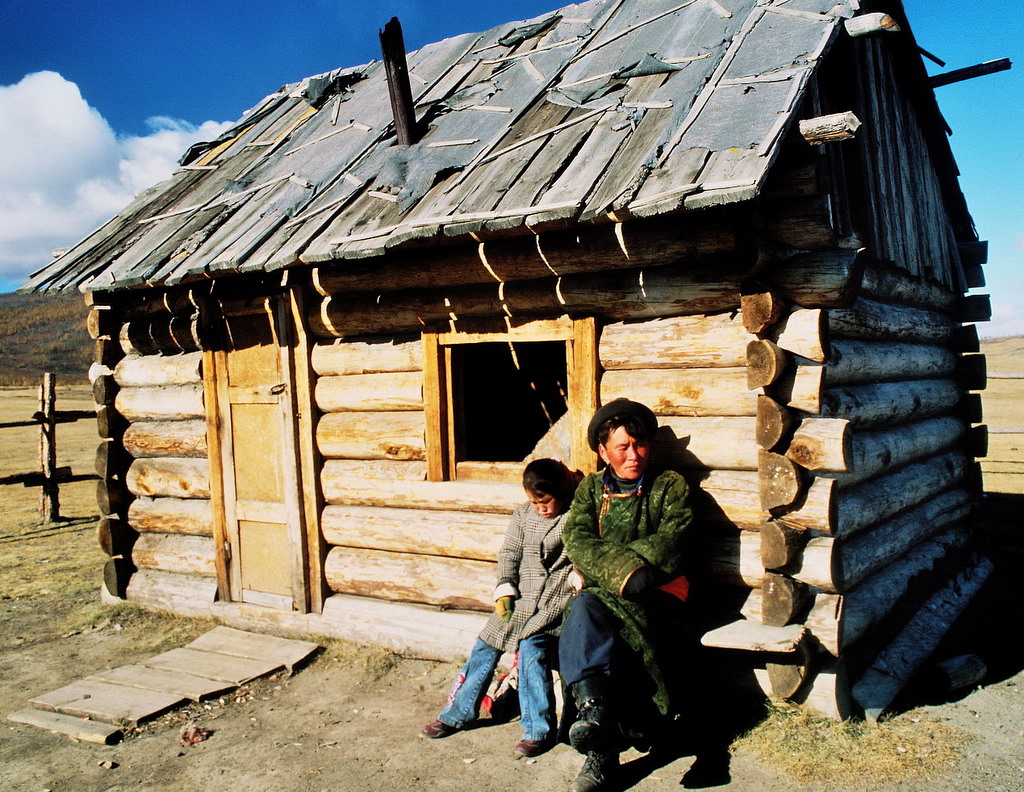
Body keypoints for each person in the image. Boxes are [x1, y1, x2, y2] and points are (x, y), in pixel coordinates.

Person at [558, 398, 695, 792]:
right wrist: (622, 573)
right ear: (603, 452)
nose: (634, 455)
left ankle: (598, 742)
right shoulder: (590, 490)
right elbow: (577, 538)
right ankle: (596, 723)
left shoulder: (669, 487)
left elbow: (671, 542)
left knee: (591, 615)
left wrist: (604, 570)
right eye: (623, 447)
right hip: (604, 598)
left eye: (640, 445)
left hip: (658, 593)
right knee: (589, 614)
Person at [420, 457, 581, 759]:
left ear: (560, 492)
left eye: (546, 502)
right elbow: (509, 552)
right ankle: (458, 712)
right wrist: (505, 587)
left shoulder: (573, 517)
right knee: (485, 644)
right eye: (534, 503)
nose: (540, 509)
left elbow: (581, 556)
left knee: (532, 650)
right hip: (521, 600)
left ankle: (537, 730)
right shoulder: (523, 515)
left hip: (554, 603)